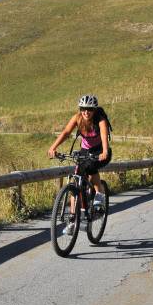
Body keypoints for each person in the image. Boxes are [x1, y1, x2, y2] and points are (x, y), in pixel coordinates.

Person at [47, 95, 112, 233]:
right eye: (83, 109)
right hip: (85, 150)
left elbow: (104, 136)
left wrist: (105, 151)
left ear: (94, 110)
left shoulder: (100, 120)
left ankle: (99, 195)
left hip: (99, 150)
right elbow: (65, 132)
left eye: (89, 109)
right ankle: (72, 220)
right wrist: (53, 147)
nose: (86, 112)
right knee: (77, 179)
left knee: (90, 167)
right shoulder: (77, 118)